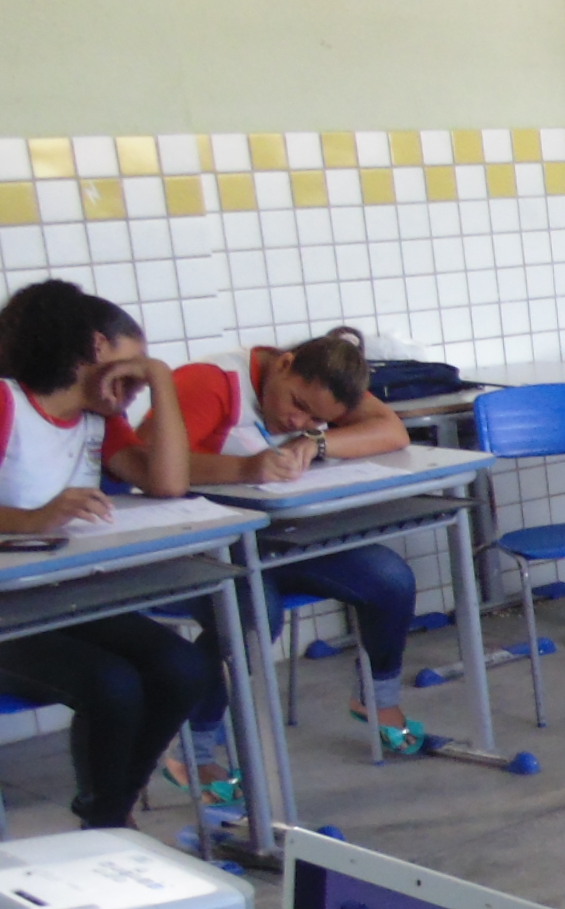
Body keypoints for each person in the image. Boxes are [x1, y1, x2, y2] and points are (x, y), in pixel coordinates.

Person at [101, 325, 424, 766]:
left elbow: (393, 432)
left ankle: (375, 699)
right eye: (298, 406)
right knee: (254, 612)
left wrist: (317, 441)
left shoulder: (325, 390)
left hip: (273, 537)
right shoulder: (212, 381)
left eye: (315, 419)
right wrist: (245, 468)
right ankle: (194, 748)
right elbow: (149, 465)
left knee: (390, 579)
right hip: (200, 544)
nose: (297, 422)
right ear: (284, 364)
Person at [0, 280, 220, 830]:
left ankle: (111, 812)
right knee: (113, 685)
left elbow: (168, 484)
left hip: (63, 597)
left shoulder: (99, 418)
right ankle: (106, 823)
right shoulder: (7, 403)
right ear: (96, 349)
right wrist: (32, 519)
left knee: (182, 666)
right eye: (132, 363)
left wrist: (162, 381)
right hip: (9, 614)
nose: (135, 381)